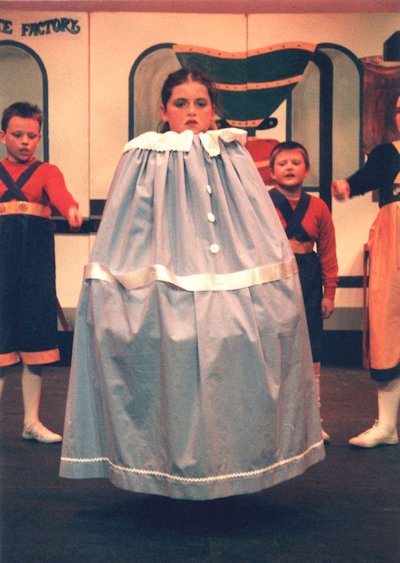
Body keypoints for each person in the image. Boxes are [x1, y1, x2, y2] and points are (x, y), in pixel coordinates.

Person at [60, 69, 325, 500]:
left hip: (231, 276)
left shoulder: (232, 154)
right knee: (174, 365)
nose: (191, 112)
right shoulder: (144, 155)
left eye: (200, 103)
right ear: (163, 110)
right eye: (180, 103)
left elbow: (256, 221)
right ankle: (168, 465)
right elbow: (129, 225)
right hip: (168, 275)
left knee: (233, 360)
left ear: (214, 110)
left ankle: (236, 461)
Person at [0, 102, 83, 443]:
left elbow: (60, 195)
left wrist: (71, 209)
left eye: (31, 136)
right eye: (17, 134)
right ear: (3, 136)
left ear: (39, 137)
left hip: (35, 267)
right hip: (2, 267)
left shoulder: (48, 171)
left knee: (36, 342)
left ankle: (31, 422)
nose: (25, 141)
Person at [331, 93, 400, 448]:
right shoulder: (388, 153)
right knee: (388, 321)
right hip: (394, 239)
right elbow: (368, 176)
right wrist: (348, 186)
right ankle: (387, 425)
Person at [269, 142, 338, 444]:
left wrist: (329, 292)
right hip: (275, 278)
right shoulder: (263, 203)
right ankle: (277, 423)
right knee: (276, 344)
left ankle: (313, 420)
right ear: (272, 172)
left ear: (306, 170)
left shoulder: (318, 207)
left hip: (308, 276)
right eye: (282, 163)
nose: (289, 167)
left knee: (312, 345)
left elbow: (328, 252)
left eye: (296, 162)